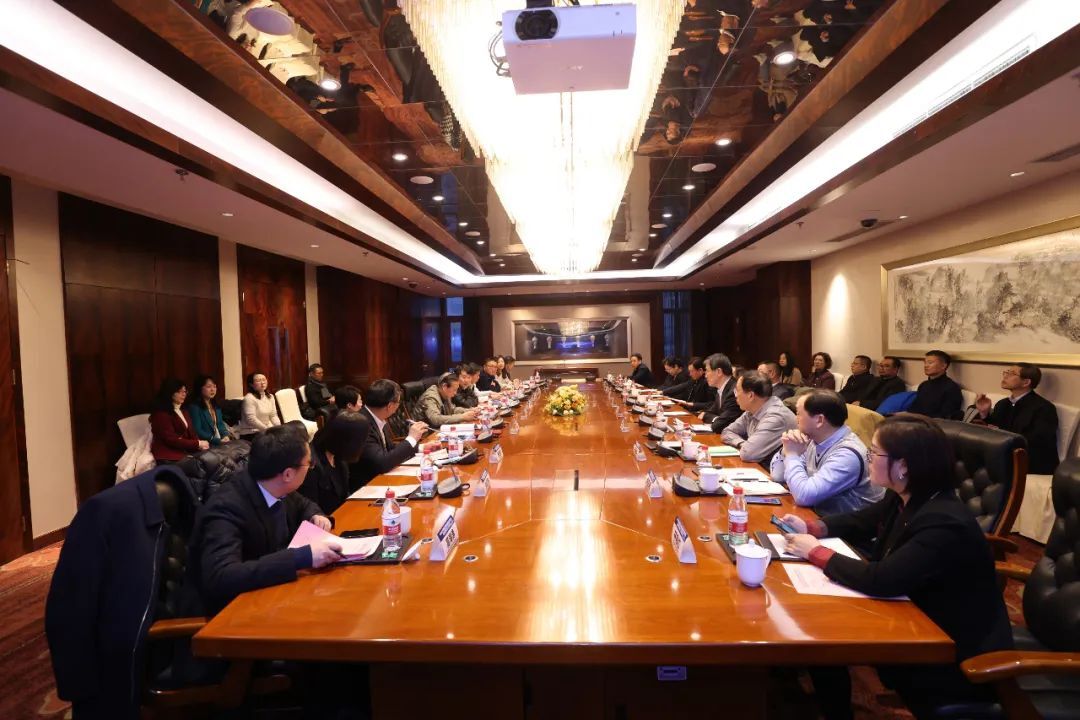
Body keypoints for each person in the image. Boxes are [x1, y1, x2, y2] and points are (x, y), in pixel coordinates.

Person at [781, 414, 1012, 718]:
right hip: (914, 613)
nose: (868, 458)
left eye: (874, 453)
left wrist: (815, 552)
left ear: (903, 466)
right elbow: (862, 520)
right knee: (818, 620)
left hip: (953, 649)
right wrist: (813, 527)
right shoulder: (909, 496)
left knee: (824, 631)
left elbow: (882, 579)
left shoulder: (943, 520)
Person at [185, 424, 341, 616]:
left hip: (275, 595)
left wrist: (316, 515)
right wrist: (300, 558)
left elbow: (303, 504)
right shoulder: (226, 507)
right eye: (309, 463)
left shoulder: (272, 484)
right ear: (288, 474)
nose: (311, 467)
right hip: (235, 612)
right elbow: (221, 576)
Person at [770, 390, 883, 515]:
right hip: (817, 515)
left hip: (843, 525)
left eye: (798, 414)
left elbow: (804, 496)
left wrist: (792, 455)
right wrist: (786, 450)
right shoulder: (813, 440)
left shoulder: (847, 455)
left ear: (819, 420)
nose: (796, 419)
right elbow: (778, 476)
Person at [971, 363, 1059, 474]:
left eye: (1011, 373)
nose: (1005, 376)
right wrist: (984, 413)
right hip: (1003, 455)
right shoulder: (1003, 404)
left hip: (1030, 462)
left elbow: (1038, 442)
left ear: (1026, 382)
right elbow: (993, 428)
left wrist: (1002, 437)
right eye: (1006, 372)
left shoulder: (1044, 408)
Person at [352, 379, 430, 489]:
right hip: (368, 486)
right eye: (398, 403)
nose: (398, 406)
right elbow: (382, 463)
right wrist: (411, 438)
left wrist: (421, 447)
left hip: (381, 479)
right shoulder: (361, 424)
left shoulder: (376, 416)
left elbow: (389, 448)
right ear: (390, 406)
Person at [298, 411, 370, 515]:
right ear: (347, 441)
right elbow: (311, 511)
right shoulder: (311, 465)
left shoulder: (338, 456)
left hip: (344, 513)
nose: (363, 445)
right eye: (361, 441)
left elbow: (345, 494)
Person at [721, 370, 797, 464]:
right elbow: (726, 432)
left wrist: (747, 447)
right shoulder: (751, 410)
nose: (735, 395)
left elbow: (748, 454)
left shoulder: (775, 417)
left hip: (778, 471)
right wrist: (742, 444)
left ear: (750, 395)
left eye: (737, 391)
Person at [150, 378, 210, 471]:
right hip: (168, 455)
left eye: (185, 391)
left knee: (214, 459)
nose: (183, 394)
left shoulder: (183, 410)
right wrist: (197, 443)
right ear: (170, 393)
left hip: (184, 451)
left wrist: (200, 444)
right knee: (205, 467)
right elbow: (171, 439)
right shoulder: (161, 414)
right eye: (179, 391)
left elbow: (192, 432)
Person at [908, 350, 963, 420]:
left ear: (943, 366)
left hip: (933, 424)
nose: (926, 365)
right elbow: (914, 408)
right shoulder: (923, 385)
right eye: (925, 362)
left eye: (930, 363)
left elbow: (946, 416)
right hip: (915, 421)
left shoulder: (951, 388)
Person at [698, 353, 742, 433]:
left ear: (719, 372)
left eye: (707, 371)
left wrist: (710, 417)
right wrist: (715, 417)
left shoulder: (734, 391)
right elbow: (709, 412)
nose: (705, 376)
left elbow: (719, 425)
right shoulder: (721, 389)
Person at [188, 374, 232, 446]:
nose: (213, 389)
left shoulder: (216, 405)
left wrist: (225, 435)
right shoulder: (194, 407)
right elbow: (197, 430)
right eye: (209, 387)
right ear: (200, 388)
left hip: (220, 441)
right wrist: (216, 440)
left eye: (214, 386)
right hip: (206, 444)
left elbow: (220, 424)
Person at [237, 371, 281, 438]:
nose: (262, 382)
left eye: (264, 379)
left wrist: (279, 428)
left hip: (266, 430)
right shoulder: (249, 398)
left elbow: (273, 415)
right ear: (251, 384)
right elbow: (251, 419)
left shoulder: (270, 397)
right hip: (251, 432)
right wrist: (267, 429)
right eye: (258, 381)